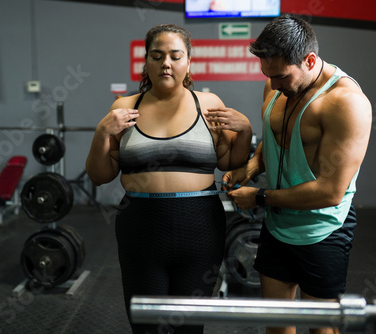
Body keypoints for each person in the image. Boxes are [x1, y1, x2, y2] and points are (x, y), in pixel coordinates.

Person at [85, 23, 252, 334]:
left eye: (176, 56)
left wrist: (245, 131)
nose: (166, 63)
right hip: (141, 229)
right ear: (145, 63)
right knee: (147, 328)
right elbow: (99, 175)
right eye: (157, 55)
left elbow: (231, 161)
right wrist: (101, 132)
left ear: (188, 62)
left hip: (200, 230)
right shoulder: (125, 108)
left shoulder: (209, 103)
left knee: (190, 328)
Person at [212, 14, 372, 334]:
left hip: (322, 230)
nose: (273, 84)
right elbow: (273, 143)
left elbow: (330, 191)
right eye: (268, 74)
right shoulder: (275, 87)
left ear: (309, 60)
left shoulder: (345, 103)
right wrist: (252, 167)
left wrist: (257, 197)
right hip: (277, 225)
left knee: (321, 329)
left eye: (282, 76)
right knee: (277, 325)